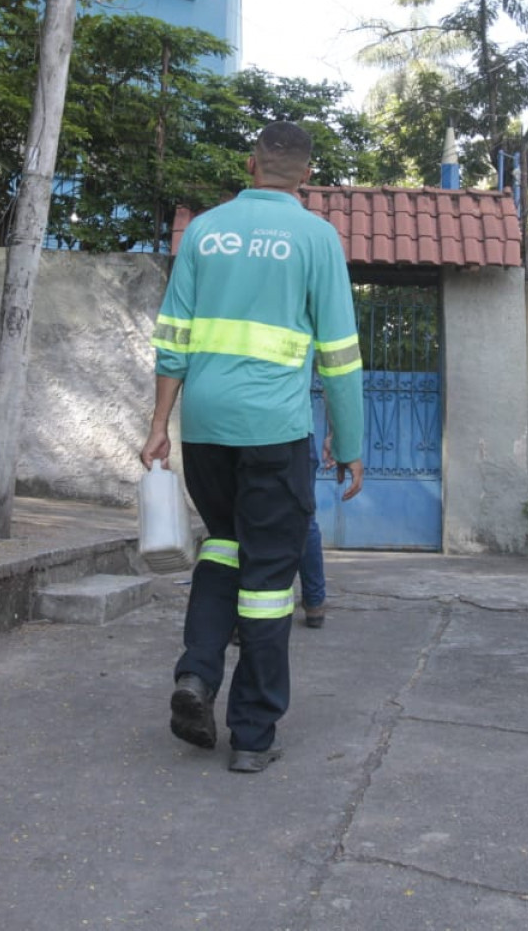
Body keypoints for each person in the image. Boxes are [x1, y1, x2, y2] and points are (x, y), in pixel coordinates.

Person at [140, 121, 363, 772]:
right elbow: (341, 355)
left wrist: (159, 424)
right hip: (275, 431)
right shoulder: (318, 238)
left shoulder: (206, 230)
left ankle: (197, 674)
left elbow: (173, 337)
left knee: (222, 545)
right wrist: (350, 442)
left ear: (251, 163)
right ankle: (253, 734)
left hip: (206, 429)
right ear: (307, 176)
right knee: (268, 578)